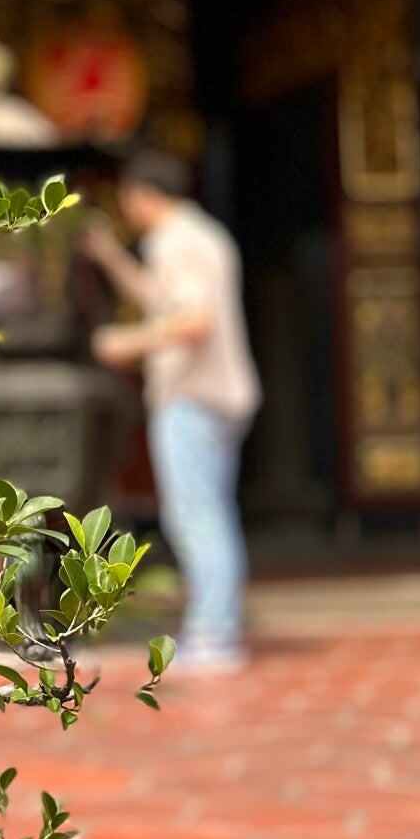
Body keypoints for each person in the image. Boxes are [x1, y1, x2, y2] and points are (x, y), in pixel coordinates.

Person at [81, 151, 261, 674]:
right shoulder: (202, 235)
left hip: (192, 396)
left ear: (143, 194)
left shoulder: (175, 241)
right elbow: (162, 300)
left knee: (196, 517)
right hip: (218, 395)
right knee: (212, 512)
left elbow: (194, 321)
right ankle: (218, 625)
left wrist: (127, 342)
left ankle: (214, 632)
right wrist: (112, 257)